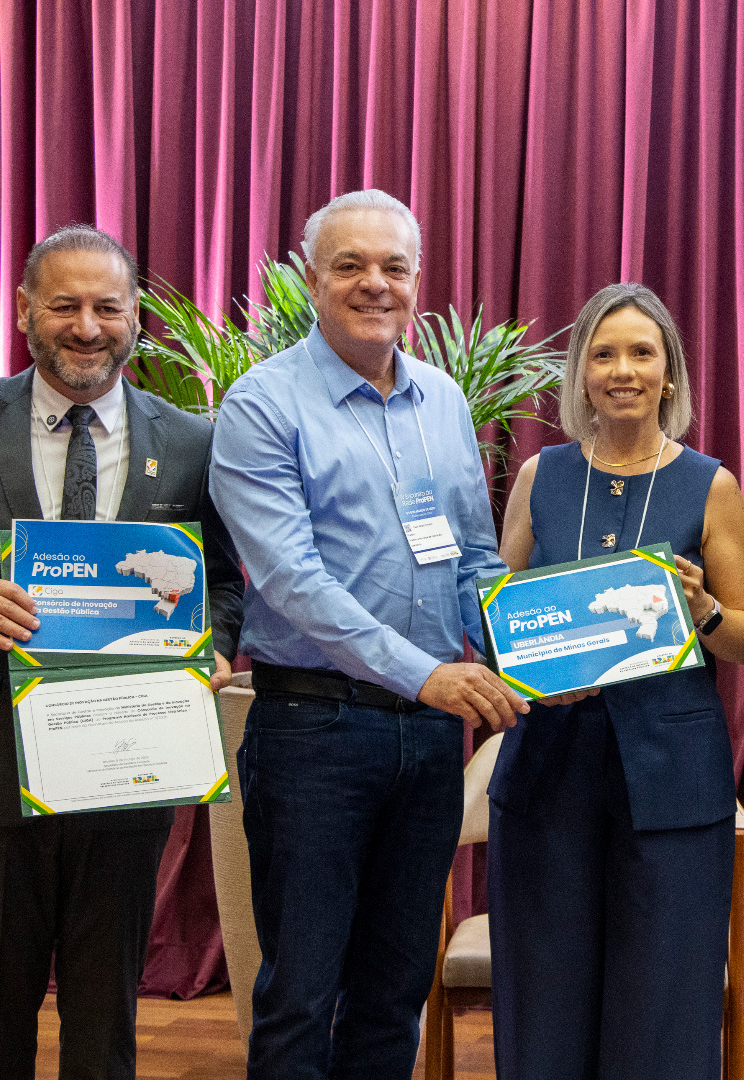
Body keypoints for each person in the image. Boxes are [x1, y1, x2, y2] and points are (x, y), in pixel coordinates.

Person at [0, 225, 245, 1080]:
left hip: (130, 762)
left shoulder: (192, 439)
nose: (87, 328)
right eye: (65, 305)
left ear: (135, 315)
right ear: (25, 309)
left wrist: (216, 645)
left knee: (105, 1022)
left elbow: (224, 581)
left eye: (107, 308)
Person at [207, 189, 533, 1079]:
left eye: (394, 266)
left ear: (418, 281)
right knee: (302, 993)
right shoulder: (262, 404)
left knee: (395, 993)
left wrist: (531, 650)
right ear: (312, 281)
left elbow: (472, 559)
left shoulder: (443, 401)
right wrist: (426, 674)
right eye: (349, 265)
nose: (374, 284)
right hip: (314, 730)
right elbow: (290, 580)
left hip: (427, 737)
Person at [486, 282, 744, 1078]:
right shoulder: (540, 475)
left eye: (642, 353)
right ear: (580, 374)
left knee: (662, 1005)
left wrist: (705, 610)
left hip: (671, 781)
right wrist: (527, 673)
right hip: (548, 769)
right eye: (603, 354)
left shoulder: (711, 484)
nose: (623, 371)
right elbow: (497, 619)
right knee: (545, 997)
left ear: (669, 373)